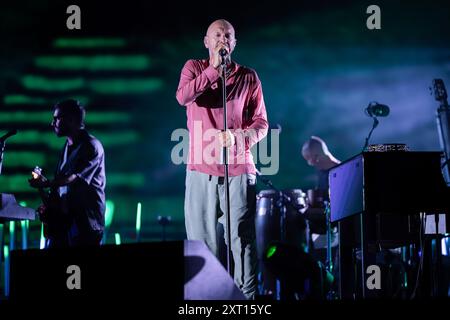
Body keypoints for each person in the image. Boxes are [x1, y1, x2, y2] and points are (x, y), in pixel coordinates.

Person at [176, 19, 269, 299]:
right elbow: (184, 97)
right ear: (206, 42)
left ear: (235, 43)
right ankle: (208, 300)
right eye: (217, 35)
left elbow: (262, 124)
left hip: (238, 168)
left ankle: (247, 300)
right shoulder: (193, 68)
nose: (222, 39)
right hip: (200, 169)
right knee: (202, 244)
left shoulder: (248, 77)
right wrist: (214, 70)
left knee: (242, 240)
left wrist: (239, 136)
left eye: (228, 35)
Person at [29, 99, 106, 248]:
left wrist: (46, 183)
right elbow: (62, 185)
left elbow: (73, 178)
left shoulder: (91, 146)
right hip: (66, 224)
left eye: (57, 118)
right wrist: (43, 188)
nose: (53, 123)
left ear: (71, 119)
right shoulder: (67, 147)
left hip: (85, 225)